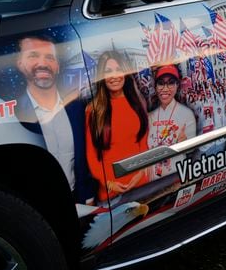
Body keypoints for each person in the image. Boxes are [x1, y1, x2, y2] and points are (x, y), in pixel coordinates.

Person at [15, 35, 95, 203]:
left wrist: (88, 197)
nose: (43, 63)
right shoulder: (13, 114)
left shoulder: (76, 107)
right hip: (40, 207)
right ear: (20, 64)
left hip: (77, 200)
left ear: (57, 66)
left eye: (49, 57)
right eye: (33, 56)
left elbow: (84, 159)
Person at [85, 51, 150, 201]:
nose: (114, 76)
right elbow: (91, 156)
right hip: (110, 191)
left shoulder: (138, 103)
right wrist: (108, 183)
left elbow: (143, 143)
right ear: (101, 77)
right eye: (108, 71)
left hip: (140, 183)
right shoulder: (93, 110)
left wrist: (140, 172)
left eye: (118, 69)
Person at [147, 65, 197, 179]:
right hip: (153, 179)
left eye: (170, 83)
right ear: (155, 86)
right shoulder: (150, 116)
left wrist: (186, 142)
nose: (165, 88)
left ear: (177, 85)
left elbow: (191, 149)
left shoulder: (187, 114)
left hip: (177, 176)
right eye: (161, 83)